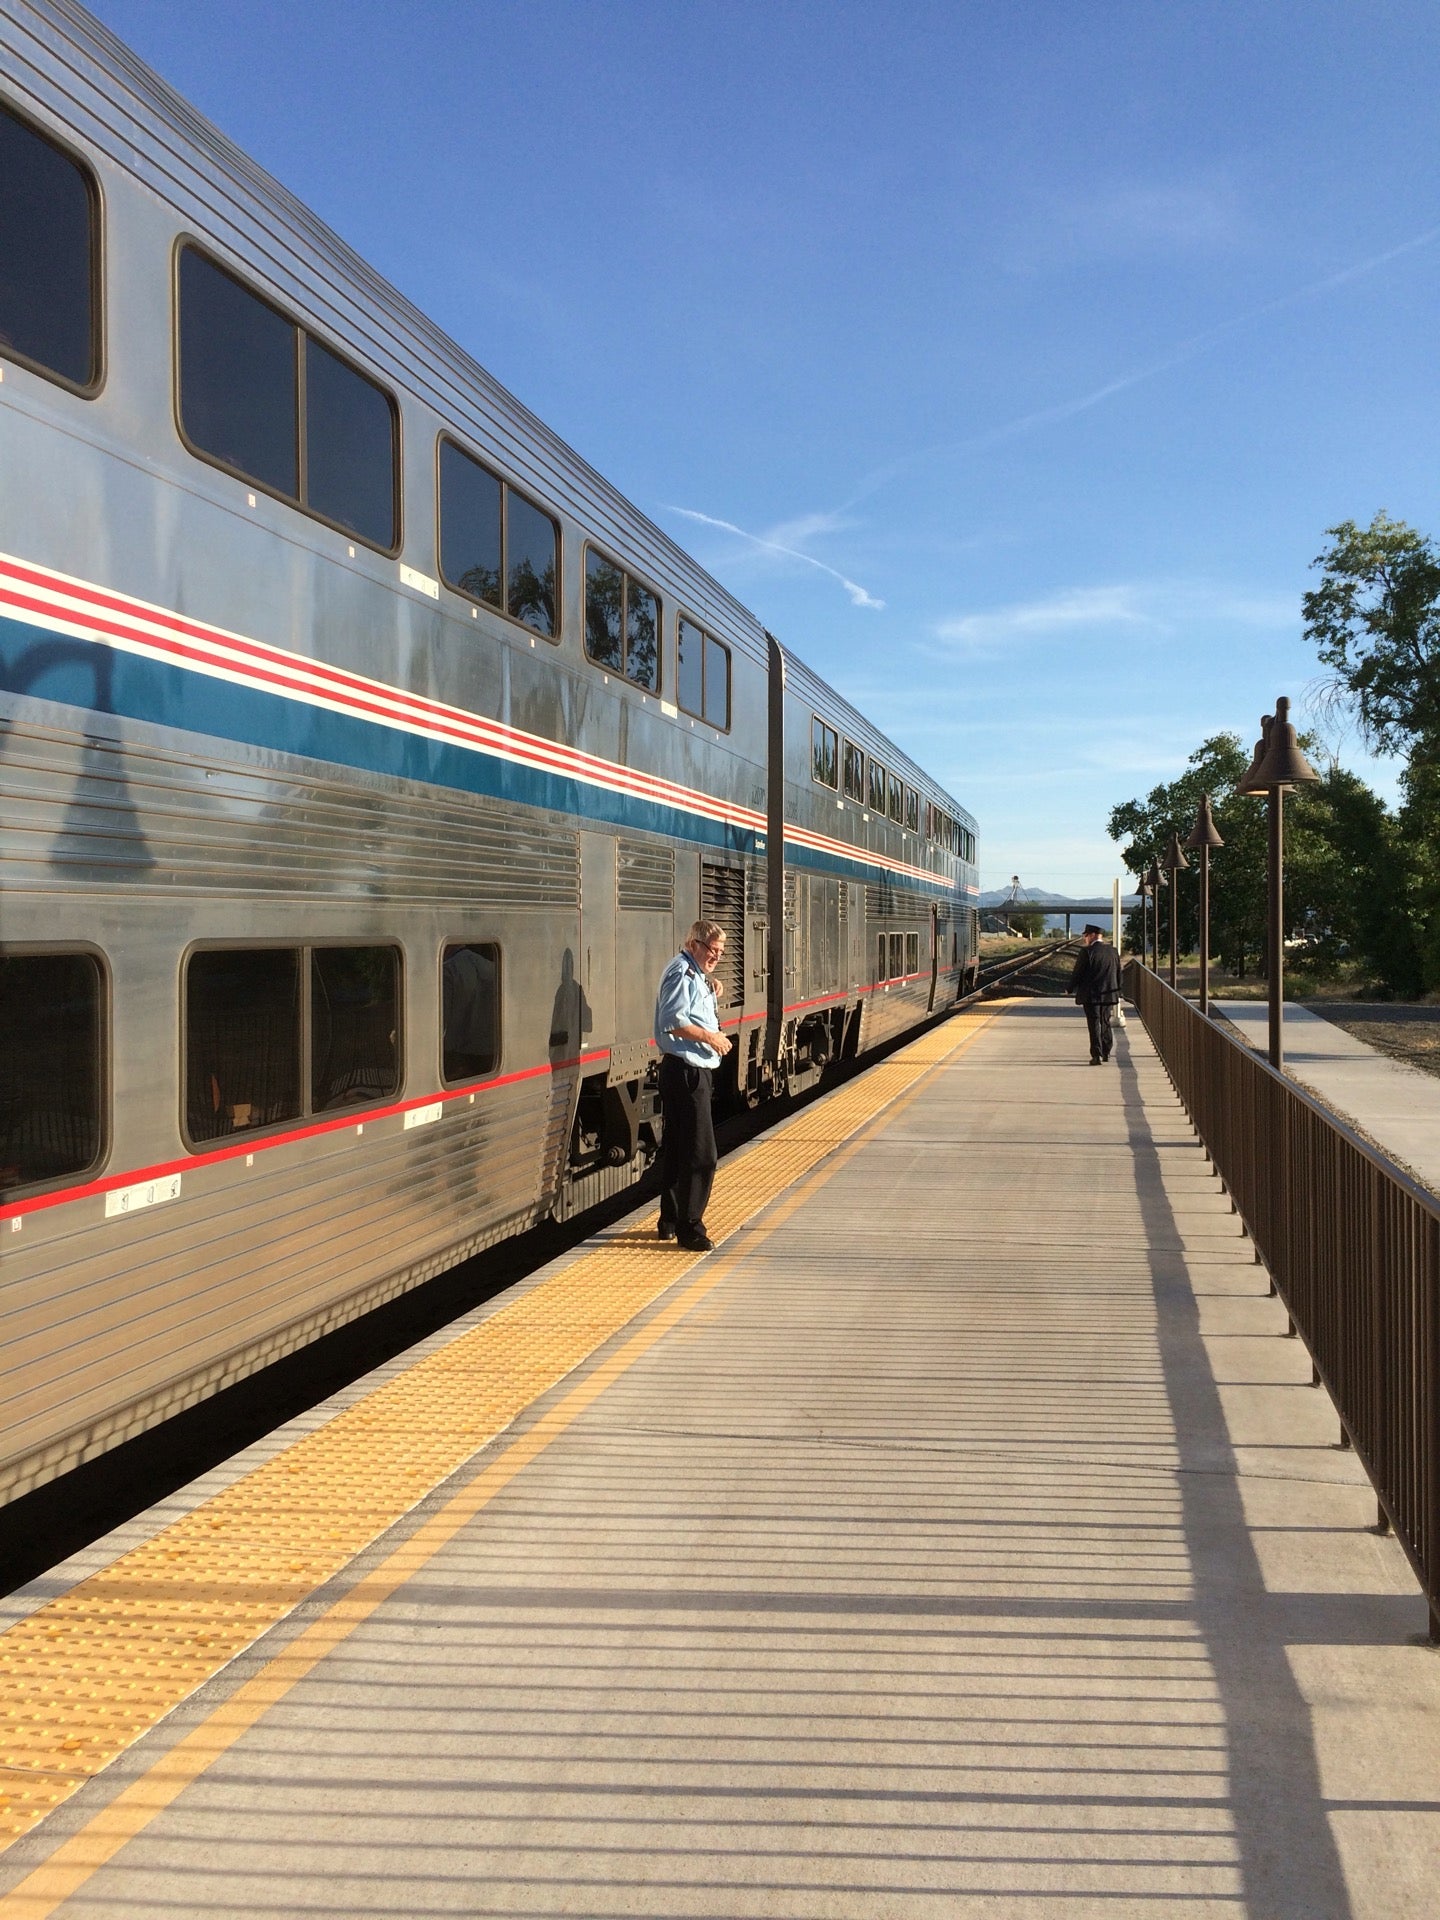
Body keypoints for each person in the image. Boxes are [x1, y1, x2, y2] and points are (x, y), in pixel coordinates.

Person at [653, 920, 733, 1251]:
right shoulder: (681, 973)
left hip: (682, 1071)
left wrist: (710, 982)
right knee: (702, 1153)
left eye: (720, 952)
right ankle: (691, 1228)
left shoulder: (691, 971)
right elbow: (672, 1021)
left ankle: (669, 1220)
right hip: (688, 1072)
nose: (716, 956)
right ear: (694, 943)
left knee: (675, 1147)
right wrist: (711, 1037)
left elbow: (690, 1003)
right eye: (712, 950)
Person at [1069, 923, 1122, 1064]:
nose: (1085, 938)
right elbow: (1118, 972)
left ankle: (1096, 1055)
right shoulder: (1113, 951)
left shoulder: (1087, 952)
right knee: (1105, 1021)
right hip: (1109, 993)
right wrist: (1118, 988)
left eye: (1085, 935)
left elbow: (1078, 973)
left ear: (1092, 935)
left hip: (1091, 995)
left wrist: (1070, 987)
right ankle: (1107, 1052)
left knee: (1094, 1023)